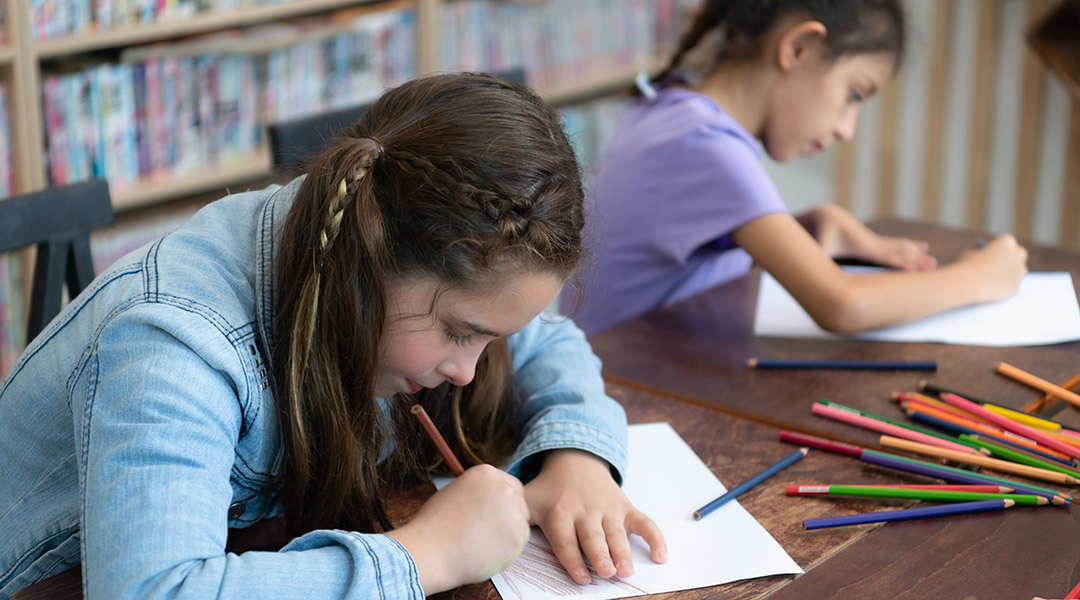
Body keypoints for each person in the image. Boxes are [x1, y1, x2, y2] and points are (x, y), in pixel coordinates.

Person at [0, 73, 667, 600]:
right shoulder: (175, 346)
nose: (467, 370)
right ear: (371, 265)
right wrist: (426, 555)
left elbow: (547, 343)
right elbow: (154, 591)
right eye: (461, 333)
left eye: (488, 340)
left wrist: (578, 457)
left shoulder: (353, 236)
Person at [560, 0, 1028, 337]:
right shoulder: (705, 145)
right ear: (800, 48)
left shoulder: (674, 107)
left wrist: (806, 228)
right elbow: (842, 306)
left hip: (628, 357)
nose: (847, 129)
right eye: (854, 93)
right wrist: (980, 278)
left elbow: (677, 247)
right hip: (622, 381)